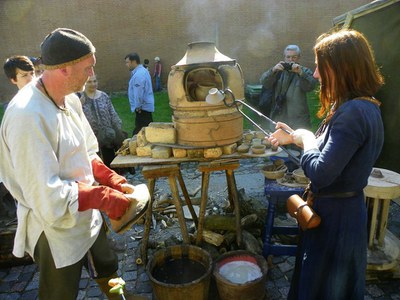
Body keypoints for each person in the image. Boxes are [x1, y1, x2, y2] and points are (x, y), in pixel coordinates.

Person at [0, 28, 149, 300]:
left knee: (106, 264)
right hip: (54, 225)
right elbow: (46, 196)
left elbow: (86, 149)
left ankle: (118, 298)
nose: (92, 75)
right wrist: (103, 197)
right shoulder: (26, 116)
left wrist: (109, 178)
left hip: (85, 209)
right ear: (65, 69)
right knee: (60, 292)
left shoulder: (69, 98)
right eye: (87, 68)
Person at [268, 29, 384, 300]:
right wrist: (295, 138)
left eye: (321, 68)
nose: (317, 75)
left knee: (326, 290)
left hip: (336, 220)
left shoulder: (353, 112)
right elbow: (337, 154)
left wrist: (306, 137)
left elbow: (322, 172)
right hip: (341, 214)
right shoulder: (364, 107)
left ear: (341, 68)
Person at [260, 45, 318, 129]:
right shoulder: (278, 71)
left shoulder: (304, 71)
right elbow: (264, 82)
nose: (291, 60)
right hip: (279, 116)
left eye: (294, 57)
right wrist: (272, 71)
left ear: (298, 58)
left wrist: (301, 73)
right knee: (278, 141)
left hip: (298, 119)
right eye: (288, 57)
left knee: (297, 140)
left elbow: (310, 86)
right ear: (284, 57)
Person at [81, 74, 124, 167]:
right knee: (97, 167)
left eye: (94, 81)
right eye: (89, 82)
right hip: (91, 140)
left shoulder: (103, 96)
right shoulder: (80, 98)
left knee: (112, 165)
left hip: (108, 137)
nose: (93, 84)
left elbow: (112, 113)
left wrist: (118, 128)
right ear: (84, 83)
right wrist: (79, 105)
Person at [125, 52, 154, 136]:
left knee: (140, 132)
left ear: (134, 61)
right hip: (144, 107)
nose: (126, 65)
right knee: (146, 130)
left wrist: (138, 106)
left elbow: (138, 92)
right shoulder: (142, 71)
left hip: (142, 108)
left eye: (127, 62)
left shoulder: (139, 75)